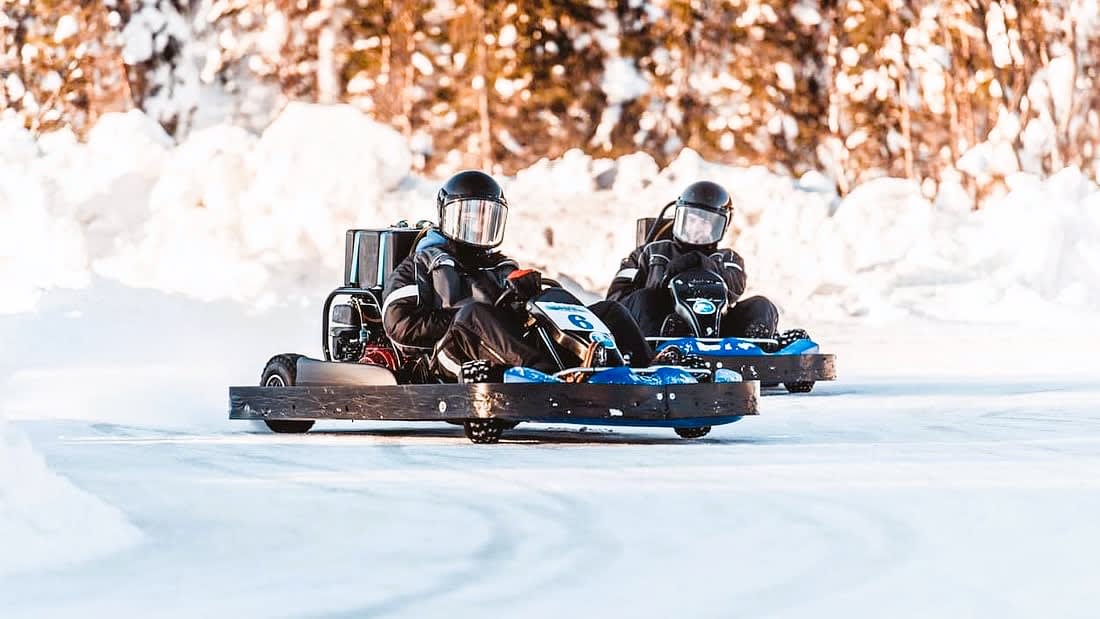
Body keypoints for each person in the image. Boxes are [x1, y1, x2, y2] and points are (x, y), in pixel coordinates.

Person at [382, 170, 654, 380]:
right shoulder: (419, 264)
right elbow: (398, 324)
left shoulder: (500, 265)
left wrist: (527, 297)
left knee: (607, 310)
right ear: (447, 216)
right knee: (474, 314)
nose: (477, 226)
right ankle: (545, 376)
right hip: (449, 358)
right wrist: (459, 319)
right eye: (469, 216)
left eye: (486, 217)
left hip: (504, 348)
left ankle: (646, 371)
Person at [606, 180, 780, 339]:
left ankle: (756, 348)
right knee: (642, 299)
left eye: (705, 223)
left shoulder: (727, 258)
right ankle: (664, 348)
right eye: (692, 220)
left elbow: (734, 286)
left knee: (762, 305)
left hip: (717, 329)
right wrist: (661, 286)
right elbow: (615, 300)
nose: (696, 229)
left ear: (720, 226)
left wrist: (703, 263)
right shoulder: (649, 253)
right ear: (680, 217)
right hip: (656, 330)